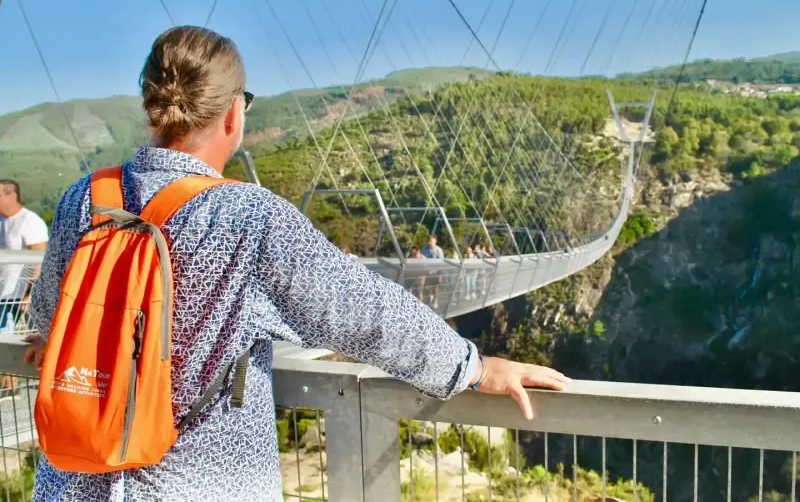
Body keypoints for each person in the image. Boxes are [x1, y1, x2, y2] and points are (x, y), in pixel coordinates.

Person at [24, 26, 568, 502]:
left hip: (73, 480)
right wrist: (473, 367)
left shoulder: (84, 198)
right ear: (234, 113)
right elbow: (363, 312)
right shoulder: (249, 217)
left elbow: (52, 313)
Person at [0, 179, 48, 334]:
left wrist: (31, 294)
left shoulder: (30, 222)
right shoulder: (2, 221)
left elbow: (40, 261)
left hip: (13, 296)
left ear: (12, 196)